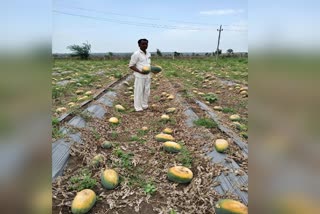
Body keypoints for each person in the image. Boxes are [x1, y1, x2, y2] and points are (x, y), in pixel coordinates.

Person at [129, 38, 151, 112]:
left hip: (148, 76)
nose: (145, 45)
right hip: (140, 76)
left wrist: (152, 70)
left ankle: (144, 105)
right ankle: (138, 107)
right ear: (139, 45)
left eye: (146, 44)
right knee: (139, 91)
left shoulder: (148, 54)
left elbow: (147, 64)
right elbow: (131, 65)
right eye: (143, 44)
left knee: (146, 91)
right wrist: (140, 72)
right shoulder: (136, 54)